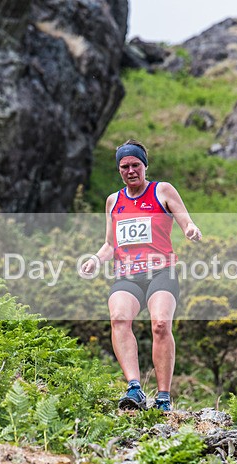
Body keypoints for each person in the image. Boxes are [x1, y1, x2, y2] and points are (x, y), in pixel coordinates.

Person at [81, 139, 202, 412]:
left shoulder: (163, 191)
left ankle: (163, 397)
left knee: (160, 324)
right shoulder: (114, 201)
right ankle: (134, 388)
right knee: (119, 318)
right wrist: (94, 259)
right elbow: (110, 245)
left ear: (145, 166)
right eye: (124, 167)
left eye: (135, 164)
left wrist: (191, 229)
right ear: (119, 170)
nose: (130, 170)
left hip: (161, 272)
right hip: (127, 274)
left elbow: (185, 219)